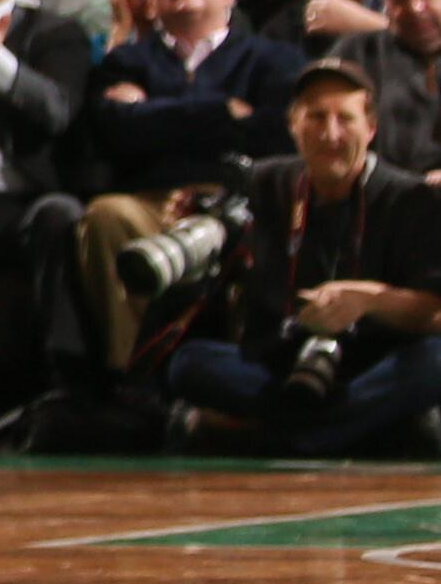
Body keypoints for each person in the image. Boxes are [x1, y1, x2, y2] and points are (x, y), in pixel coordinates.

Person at [154, 61, 441, 455]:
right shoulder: (262, 183)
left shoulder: (409, 198)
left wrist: (370, 300)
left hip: (372, 365)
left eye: (345, 119)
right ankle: (353, 430)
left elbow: (433, 313)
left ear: (371, 128)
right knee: (189, 362)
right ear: (293, 125)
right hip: (282, 363)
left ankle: (284, 437)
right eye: (316, 117)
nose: (330, 134)